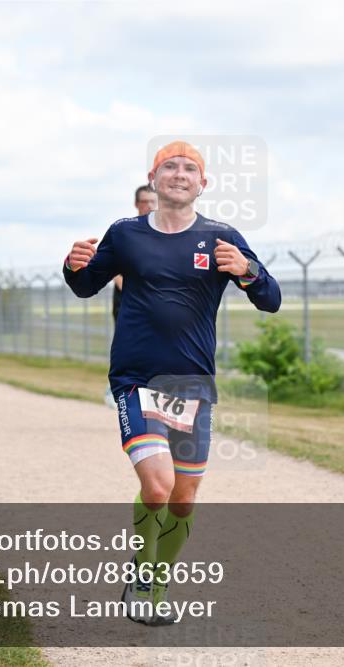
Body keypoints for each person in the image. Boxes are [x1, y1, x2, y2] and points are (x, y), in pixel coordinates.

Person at [64, 141, 281, 625]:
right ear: (154, 179)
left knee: (182, 500)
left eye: (189, 168)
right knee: (158, 487)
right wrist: (71, 265)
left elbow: (271, 299)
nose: (179, 174)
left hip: (194, 387)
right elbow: (85, 284)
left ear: (203, 184)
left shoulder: (222, 237)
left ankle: (153, 580)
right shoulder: (125, 235)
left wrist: (249, 272)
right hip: (136, 380)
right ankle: (144, 583)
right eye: (169, 167)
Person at [104, 184, 160, 408]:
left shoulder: (162, 233)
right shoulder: (126, 233)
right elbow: (117, 274)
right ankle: (116, 391)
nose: (149, 206)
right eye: (145, 202)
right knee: (130, 350)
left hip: (156, 307)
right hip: (129, 304)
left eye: (153, 202)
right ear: (137, 204)